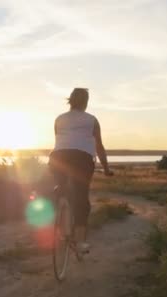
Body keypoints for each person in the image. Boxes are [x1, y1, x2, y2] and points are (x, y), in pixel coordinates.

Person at [49, 88, 113, 253]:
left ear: (70, 100)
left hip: (58, 157)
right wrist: (106, 168)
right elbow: (99, 146)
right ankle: (79, 242)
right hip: (82, 159)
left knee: (61, 186)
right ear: (86, 102)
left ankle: (59, 199)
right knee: (81, 198)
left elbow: (60, 141)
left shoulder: (59, 119)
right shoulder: (91, 120)